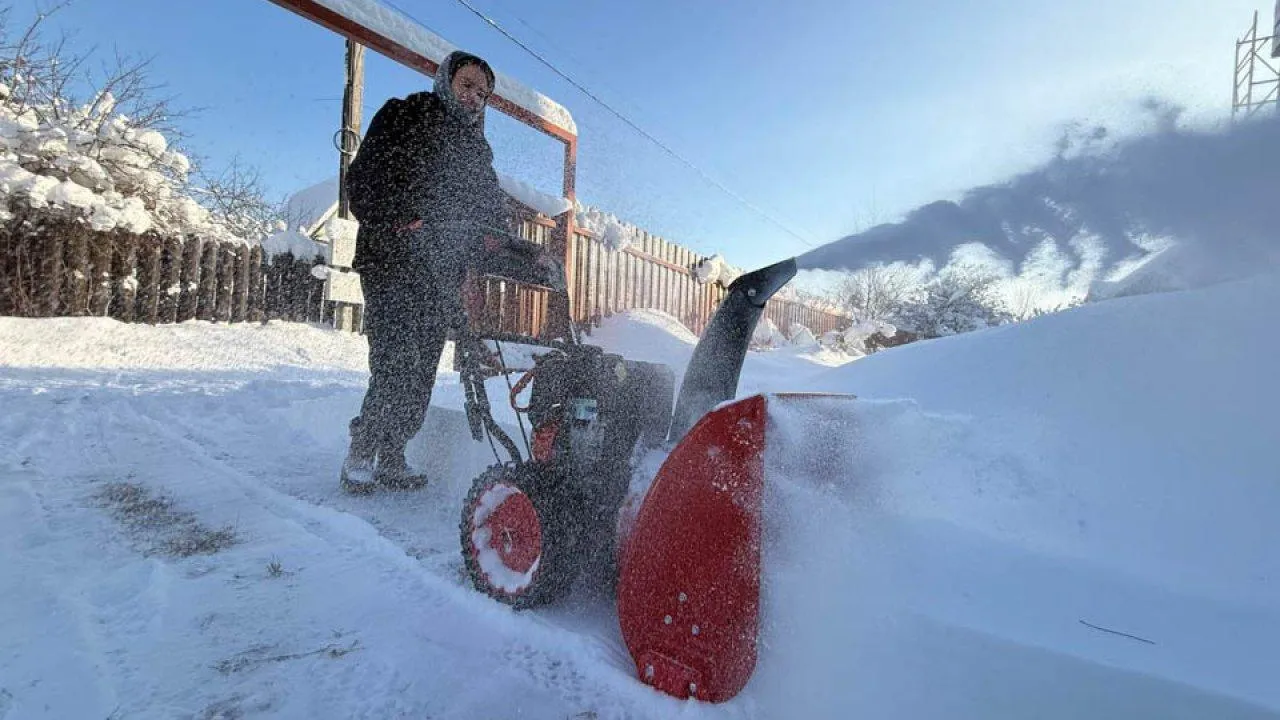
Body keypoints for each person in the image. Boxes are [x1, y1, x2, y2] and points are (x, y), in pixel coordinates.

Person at [339, 50, 507, 493]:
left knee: (421, 371)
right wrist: (402, 216)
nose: (474, 98)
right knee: (396, 362)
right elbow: (361, 183)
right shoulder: (405, 114)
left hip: (438, 273)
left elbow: (490, 207)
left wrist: (501, 240)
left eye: (483, 94)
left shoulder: (475, 148)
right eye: (467, 85)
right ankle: (362, 450)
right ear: (446, 80)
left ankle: (393, 455)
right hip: (392, 260)